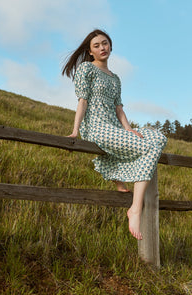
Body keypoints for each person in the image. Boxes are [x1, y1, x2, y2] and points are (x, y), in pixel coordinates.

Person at [62, 29, 167, 240]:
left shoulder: (116, 78)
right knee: (149, 147)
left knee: (158, 138)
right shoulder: (86, 69)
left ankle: (126, 191)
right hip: (96, 127)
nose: (102, 48)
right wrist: (75, 130)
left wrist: (128, 129)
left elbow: (119, 108)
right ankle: (135, 209)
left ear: (110, 45)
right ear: (90, 52)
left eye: (105, 43)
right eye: (97, 46)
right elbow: (82, 101)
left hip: (115, 128)